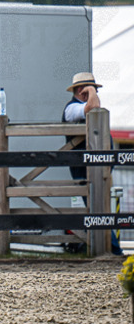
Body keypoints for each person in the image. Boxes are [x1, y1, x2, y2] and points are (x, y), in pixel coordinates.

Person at [62, 72, 120, 253]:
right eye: (91, 89)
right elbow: (93, 106)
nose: (95, 93)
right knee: (98, 207)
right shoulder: (72, 108)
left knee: (99, 207)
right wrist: (92, 93)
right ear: (82, 90)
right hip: (85, 166)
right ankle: (112, 249)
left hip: (94, 166)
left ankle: (103, 247)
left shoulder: (80, 106)